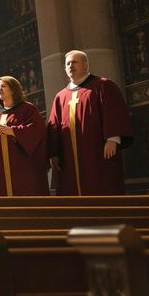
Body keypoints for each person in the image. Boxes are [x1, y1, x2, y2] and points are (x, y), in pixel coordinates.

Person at [46, 50, 132, 195]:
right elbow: (54, 125)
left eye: (75, 62)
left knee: (101, 186)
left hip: (98, 151)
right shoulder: (61, 96)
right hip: (69, 156)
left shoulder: (103, 85)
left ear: (86, 65)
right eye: (68, 64)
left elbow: (113, 112)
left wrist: (113, 138)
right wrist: (54, 153)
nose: (71, 66)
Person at [0, 76, 49, 196]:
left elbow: (36, 130)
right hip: (0, 163)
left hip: (22, 163)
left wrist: (13, 131)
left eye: (3, 86)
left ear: (13, 89)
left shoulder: (27, 109)